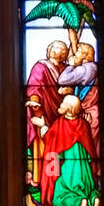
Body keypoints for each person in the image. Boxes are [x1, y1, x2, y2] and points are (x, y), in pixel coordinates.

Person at [33, 94, 99, 206]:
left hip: (69, 170)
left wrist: (42, 125)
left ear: (68, 108)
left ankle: (80, 202)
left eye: (63, 103)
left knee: (59, 194)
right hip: (84, 171)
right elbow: (90, 151)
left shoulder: (60, 124)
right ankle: (95, 200)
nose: (61, 104)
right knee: (89, 188)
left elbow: (50, 139)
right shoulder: (83, 124)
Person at [25, 41, 69, 186]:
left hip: (62, 113)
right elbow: (34, 86)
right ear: (49, 50)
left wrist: (69, 91)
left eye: (63, 49)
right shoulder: (40, 67)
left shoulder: (68, 69)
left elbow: (74, 86)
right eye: (57, 48)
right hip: (42, 110)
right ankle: (39, 179)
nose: (60, 51)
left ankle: (57, 179)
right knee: (42, 145)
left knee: (59, 146)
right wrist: (34, 100)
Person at [57, 43, 100, 155]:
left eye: (78, 52)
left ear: (84, 55)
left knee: (89, 146)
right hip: (87, 111)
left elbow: (62, 80)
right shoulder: (90, 67)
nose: (75, 54)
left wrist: (71, 65)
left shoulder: (86, 69)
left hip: (90, 113)